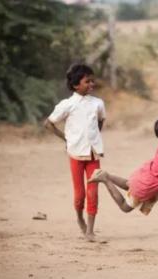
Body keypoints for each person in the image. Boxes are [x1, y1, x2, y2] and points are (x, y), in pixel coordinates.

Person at [44, 64, 106, 242]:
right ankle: (79, 218)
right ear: (75, 85)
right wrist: (67, 139)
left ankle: (90, 231)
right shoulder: (67, 105)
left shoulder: (98, 103)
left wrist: (94, 138)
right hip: (75, 155)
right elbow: (48, 123)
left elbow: (101, 121)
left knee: (93, 192)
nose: (92, 84)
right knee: (80, 194)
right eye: (87, 81)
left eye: (92, 80)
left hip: (94, 154)